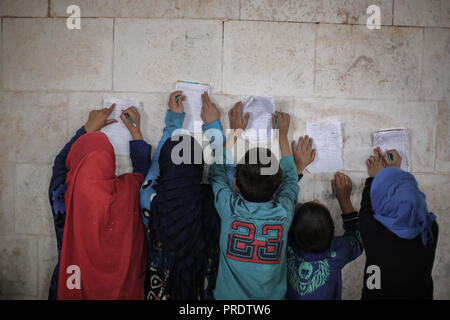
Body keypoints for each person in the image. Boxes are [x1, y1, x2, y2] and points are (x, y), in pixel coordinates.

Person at [48, 104, 150, 299]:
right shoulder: (128, 192)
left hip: (70, 285)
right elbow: (143, 175)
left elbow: (60, 163)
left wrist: (86, 129)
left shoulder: (63, 199)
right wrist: (135, 132)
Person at [208, 100, 299, 300]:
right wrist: (282, 136)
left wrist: (236, 132)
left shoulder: (228, 208)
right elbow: (292, 178)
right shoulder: (284, 212)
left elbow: (216, 172)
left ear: (235, 183)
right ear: (278, 187)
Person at [139, 91, 221, 300]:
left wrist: (173, 123)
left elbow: (157, 165)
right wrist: (213, 127)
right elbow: (222, 173)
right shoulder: (213, 200)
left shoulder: (150, 198)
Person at [360, 147, 438, 299]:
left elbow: (366, 206)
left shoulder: (372, 230)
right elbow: (410, 202)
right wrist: (390, 175)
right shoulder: (428, 229)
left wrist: (381, 176)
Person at [286, 156, 364, 300]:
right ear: (334, 233)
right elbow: (358, 239)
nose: (316, 200)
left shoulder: (284, 245)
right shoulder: (339, 251)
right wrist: (344, 199)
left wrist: (297, 170)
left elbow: (277, 201)